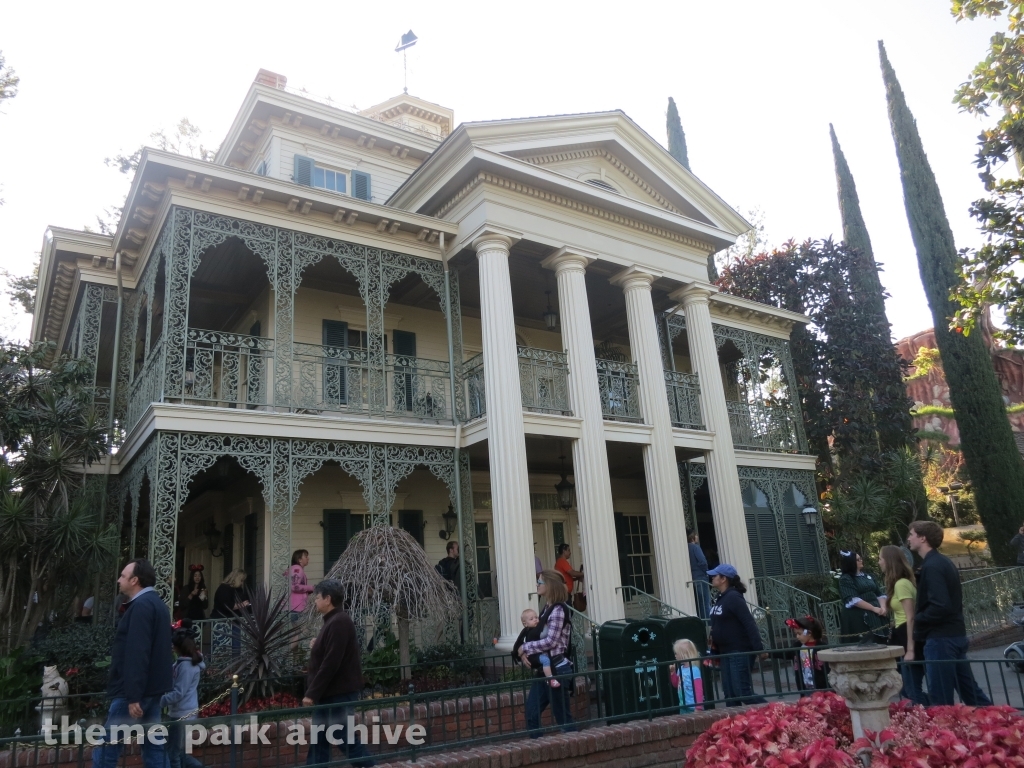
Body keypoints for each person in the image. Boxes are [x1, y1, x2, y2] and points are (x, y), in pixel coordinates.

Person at [91, 559, 172, 768]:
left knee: (107, 747)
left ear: (135, 580)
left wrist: (134, 695)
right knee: (154, 747)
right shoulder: (157, 605)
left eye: (123, 576)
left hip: (134, 693)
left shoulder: (142, 607)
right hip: (152, 690)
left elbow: (138, 653)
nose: (119, 580)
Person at [908, 520, 992, 706]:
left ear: (923, 538)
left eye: (911, 534)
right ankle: (1003, 724)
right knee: (971, 693)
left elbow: (940, 605)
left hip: (941, 639)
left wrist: (919, 619)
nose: (909, 538)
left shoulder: (933, 566)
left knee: (941, 699)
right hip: (953, 635)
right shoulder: (941, 562)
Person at [302, 579, 374, 767]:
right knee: (319, 741)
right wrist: (317, 643)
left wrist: (312, 693)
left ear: (328, 599)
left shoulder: (339, 621)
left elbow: (332, 662)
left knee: (345, 738)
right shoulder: (332, 622)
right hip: (329, 694)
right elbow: (329, 650)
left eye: (317, 597)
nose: (315, 601)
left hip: (338, 694)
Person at [519, 570, 575, 737]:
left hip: (557, 669)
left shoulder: (558, 610)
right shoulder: (546, 609)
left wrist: (526, 648)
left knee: (564, 719)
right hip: (544, 669)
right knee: (531, 712)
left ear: (550, 585)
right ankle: (538, 748)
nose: (537, 584)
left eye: (540, 582)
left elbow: (551, 641)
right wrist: (522, 652)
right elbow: (535, 634)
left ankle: (576, 747)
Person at [707, 563, 766, 706]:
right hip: (725, 652)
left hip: (739, 650)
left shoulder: (733, 597)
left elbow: (749, 623)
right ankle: (735, 726)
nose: (712, 578)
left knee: (742, 691)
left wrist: (759, 649)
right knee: (730, 694)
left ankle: (771, 711)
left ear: (723, 579)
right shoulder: (720, 597)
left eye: (715, 576)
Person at [879, 545, 929, 706]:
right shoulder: (899, 584)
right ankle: (928, 709)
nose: (879, 562)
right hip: (901, 636)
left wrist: (910, 649)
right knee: (905, 688)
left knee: (912, 689)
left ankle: (927, 713)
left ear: (889, 561)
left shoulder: (901, 584)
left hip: (908, 638)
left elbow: (910, 617)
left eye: (880, 558)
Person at [162, 621, 206, 768]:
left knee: (174, 753)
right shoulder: (182, 664)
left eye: (174, 645)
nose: (172, 647)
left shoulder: (186, 667)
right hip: (181, 712)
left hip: (182, 714)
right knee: (177, 751)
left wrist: (159, 701)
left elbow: (178, 693)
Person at [838, 550, 888, 644]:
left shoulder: (868, 576)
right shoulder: (846, 579)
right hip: (859, 617)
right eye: (858, 559)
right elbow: (853, 599)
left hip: (877, 614)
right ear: (851, 563)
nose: (861, 560)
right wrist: (873, 608)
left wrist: (883, 608)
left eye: (860, 558)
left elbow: (879, 593)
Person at [514, 609, 562, 687]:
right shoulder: (529, 631)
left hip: (538, 653)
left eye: (536, 617)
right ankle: (550, 679)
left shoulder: (537, 629)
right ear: (525, 624)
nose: (535, 620)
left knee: (546, 659)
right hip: (533, 655)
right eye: (531, 619)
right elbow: (519, 643)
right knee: (545, 660)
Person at [785, 615, 827, 693]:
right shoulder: (797, 646)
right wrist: (768, 654)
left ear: (809, 633)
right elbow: (785, 653)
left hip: (821, 687)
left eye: (799, 634)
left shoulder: (822, 647)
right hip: (804, 686)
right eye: (796, 634)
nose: (797, 637)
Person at [668, 638, 704, 713]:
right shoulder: (680, 669)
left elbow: (698, 689)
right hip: (683, 705)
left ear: (684, 654)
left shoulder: (694, 670)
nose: (675, 655)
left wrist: (698, 707)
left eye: (676, 653)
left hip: (692, 706)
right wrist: (672, 673)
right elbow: (675, 684)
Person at [687, 532, 712, 620]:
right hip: (701, 576)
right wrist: (706, 572)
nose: (697, 537)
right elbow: (702, 561)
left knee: (699, 603)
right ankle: (708, 624)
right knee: (705, 603)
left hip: (693, 577)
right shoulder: (695, 547)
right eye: (696, 535)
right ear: (693, 537)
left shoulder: (686, 548)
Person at [290, 549, 314, 618]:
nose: (308, 558)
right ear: (299, 559)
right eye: (306, 556)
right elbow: (295, 587)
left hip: (292, 606)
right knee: (300, 628)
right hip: (296, 607)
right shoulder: (297, 569)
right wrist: (312, 587)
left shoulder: (292, 569)